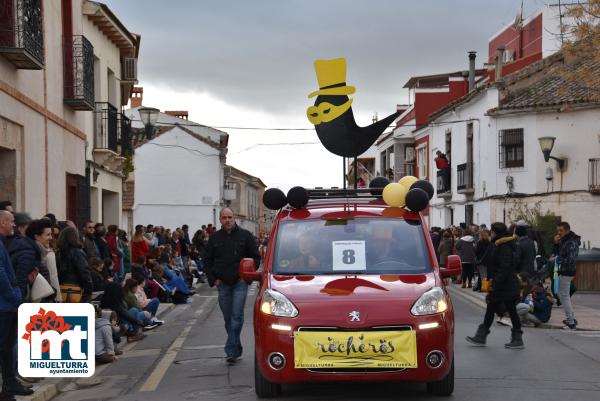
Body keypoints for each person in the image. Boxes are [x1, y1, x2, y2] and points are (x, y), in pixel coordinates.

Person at [204, 208, 260, 365]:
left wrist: (247, 277)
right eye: (224, 217)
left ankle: (230, 351)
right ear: (220, 220)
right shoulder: (214, 238)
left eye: (230, 217)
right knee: (228, 318)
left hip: (240, 283)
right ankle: (236, 347)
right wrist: (213, 279)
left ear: (234, 218)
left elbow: (255, 258)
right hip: (222, 284)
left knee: (236, 316)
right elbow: (207, 261)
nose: (227, 220)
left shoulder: (246, 236)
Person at [466, 222, 524, 349]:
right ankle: (482, 336)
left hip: (505, 285)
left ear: (494, 232)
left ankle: (517, 338)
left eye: (491, 232)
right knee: (493, 309)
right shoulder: (499, 244)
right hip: (502, 284)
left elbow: (504, 268)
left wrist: (495, 284)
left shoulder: (504, 246)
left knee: (508, 310)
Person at [0, 210, 33, 397]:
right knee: (5, 346)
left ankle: (8, 387)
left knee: (7, 346)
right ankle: (9, 385)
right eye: (11, 222)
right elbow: (1, 273)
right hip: (5, 304)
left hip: (7, 303)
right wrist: (15, 295)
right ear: (2, 222)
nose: (14, 225)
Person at [552, 221, 581, 330]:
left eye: (561, 231)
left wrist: (558, 260)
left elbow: (571, 259)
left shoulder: (571, 242)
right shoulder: (564, 240)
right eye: (558, 231)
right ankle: (571, 318)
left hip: (567, 271)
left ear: (567, 230)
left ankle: (571, 321)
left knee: (563, 295)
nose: (559, 233)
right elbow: (556, 253)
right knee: (561, 294)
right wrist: (556, 243)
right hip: (563, 270)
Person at [56, 227, 94, 303]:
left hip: (61, 289)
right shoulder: (77, 252)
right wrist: (89, 288)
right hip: (76, 289)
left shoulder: (58, 253)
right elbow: (84, 271)